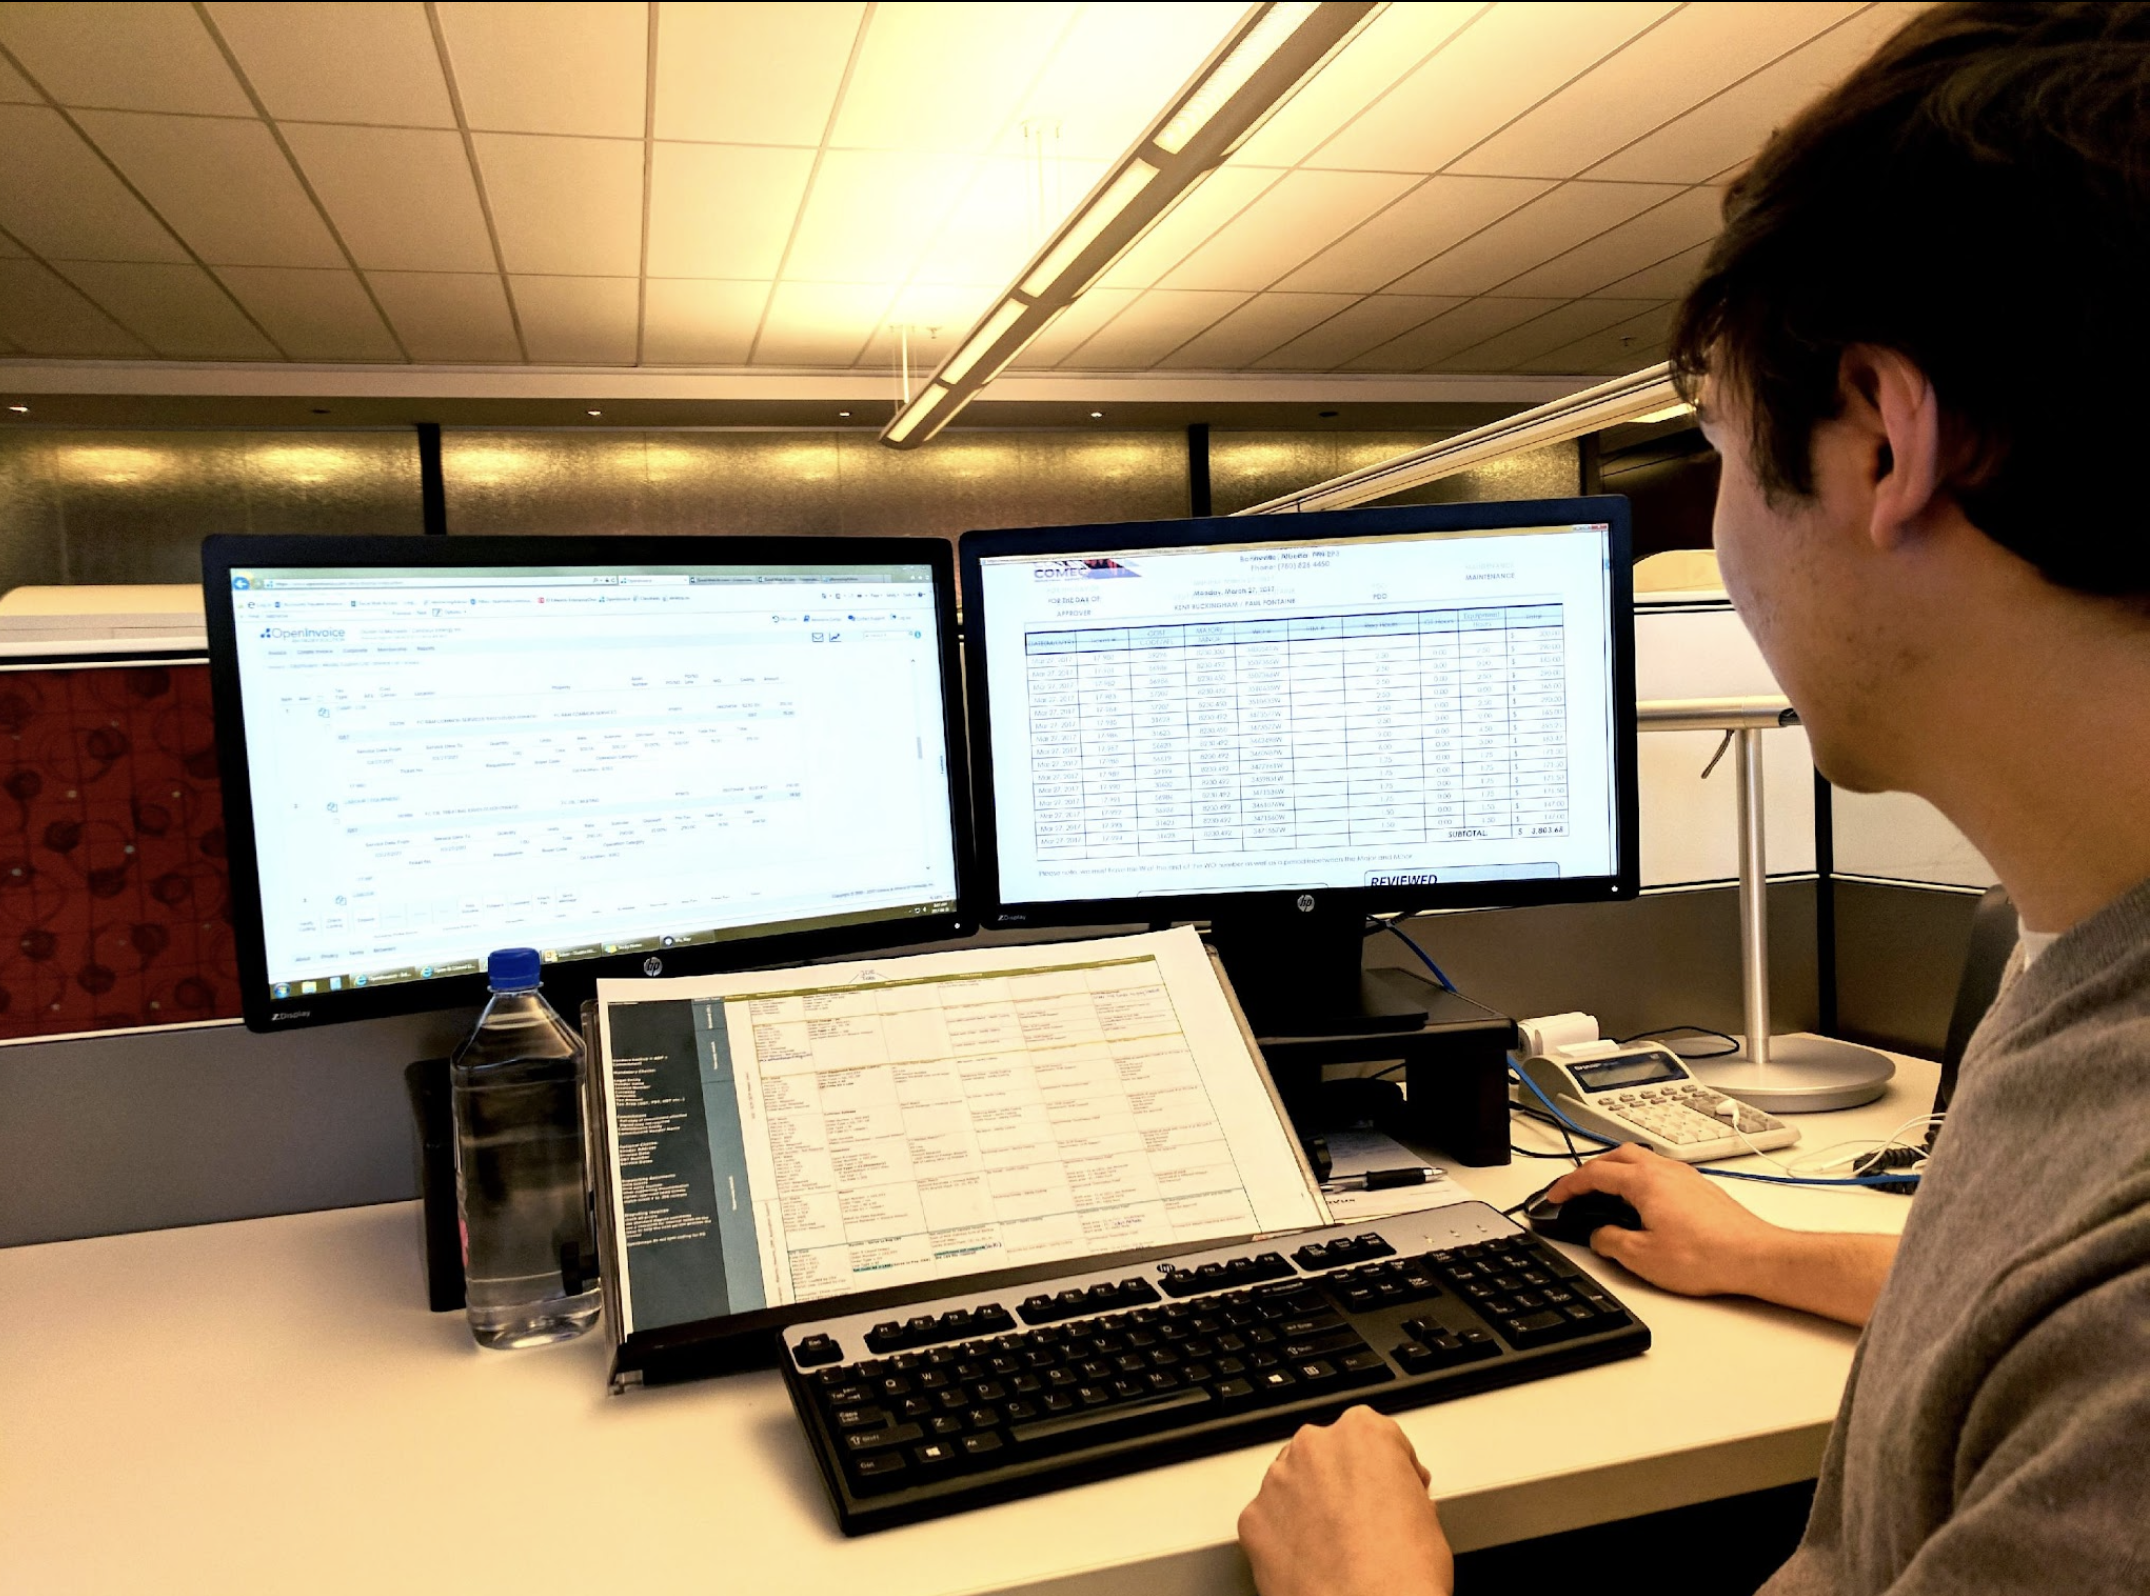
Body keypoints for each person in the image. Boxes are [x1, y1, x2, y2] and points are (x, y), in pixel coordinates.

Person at [1237, 4, 2150, 1592]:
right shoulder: (2082, 949)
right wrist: (1764, 1253)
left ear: (1883, 439)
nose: (1719, 531)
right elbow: (2021, 1312)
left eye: (1716, 446)